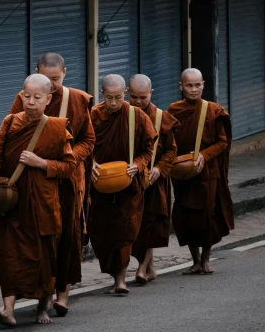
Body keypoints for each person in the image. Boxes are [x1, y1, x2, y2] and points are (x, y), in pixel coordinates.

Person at [0, 74, 76, 327]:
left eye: (37, 97)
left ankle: (42, 307)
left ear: (48, 99)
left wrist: (40, 163)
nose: (31, 102)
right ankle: (8, 309)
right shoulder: (10, 122)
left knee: (42, 257)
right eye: (27, 96)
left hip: (42, 203)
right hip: (10, 202)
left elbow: (68, 167)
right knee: (8, 255)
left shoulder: (57, 128)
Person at [10, 52, 95, 316]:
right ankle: (40, 295)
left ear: (65, 74)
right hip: (35, 181)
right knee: (40, 238)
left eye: (55, 79)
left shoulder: (79, 100)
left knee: (68, 236)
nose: (50, 85)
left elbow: (88, 140)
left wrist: (67, 158)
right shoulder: (24, 99)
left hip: (68, 180)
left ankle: (63, 295)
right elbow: (13, 132)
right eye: (45, 78)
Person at [90, 74, 157, 295]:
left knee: (125, 231)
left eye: (118, 97)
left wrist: (138, 165)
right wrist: (90, 164)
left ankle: (121, 280)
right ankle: (113, 275)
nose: (113, 103)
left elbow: (149, 148)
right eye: (109, 97)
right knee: (102, 233)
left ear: (124, 94)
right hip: (100, 185)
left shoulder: (136, 115)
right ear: (102, 94)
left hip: (129, 185)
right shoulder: (94, 115)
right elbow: (83, 144)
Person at [168, 68, 233, 275]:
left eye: (197, 85)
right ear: (181, 86)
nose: (193, 89)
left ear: (203, 84)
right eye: (189, 85)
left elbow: (222, 142)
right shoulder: (174, 110)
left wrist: (204, 155)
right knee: (185, 215)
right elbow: (168, 140)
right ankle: (194, 260)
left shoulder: (214, 110)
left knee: (207, 215)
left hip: (207, 172)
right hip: (182, 173)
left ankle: (205, 259)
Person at [128, 74, 179, 284]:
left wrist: (160, 168)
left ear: (151, 93)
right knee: (134, 226)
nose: (138, 102)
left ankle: (141, 268)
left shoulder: (161, 117)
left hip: (155, 180)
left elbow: (171, 150)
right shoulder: (124, 114)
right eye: (134, 97)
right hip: (130, 179)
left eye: (143, 97)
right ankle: (150, 267)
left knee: (150, 224)